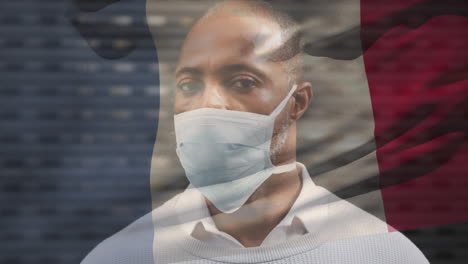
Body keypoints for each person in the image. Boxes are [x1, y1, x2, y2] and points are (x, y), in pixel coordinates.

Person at [81, 1, 429, 263]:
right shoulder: (121, 256)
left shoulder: (382, 253)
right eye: (189, 85)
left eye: (243, 82)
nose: (209, 104)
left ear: (297, 103)